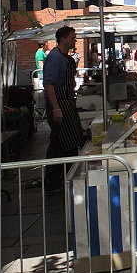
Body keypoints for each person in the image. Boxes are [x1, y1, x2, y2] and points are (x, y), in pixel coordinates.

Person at [42, 26, 85, 193]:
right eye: (73, 38)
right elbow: (48, 84)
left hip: (67, 102)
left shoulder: (66, 58)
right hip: (60, 103)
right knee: (64, 144)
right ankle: (62, 182)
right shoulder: (55, 58)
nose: (75, 40)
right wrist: (56, 109)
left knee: (62, 143)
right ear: (63, 39)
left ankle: (60, 181)